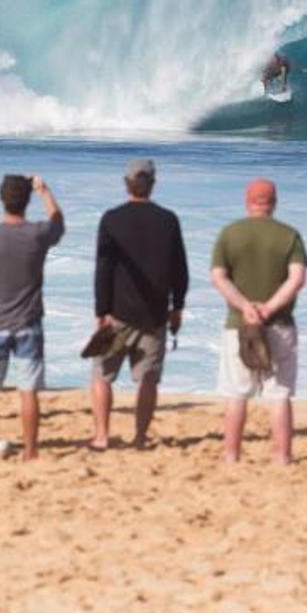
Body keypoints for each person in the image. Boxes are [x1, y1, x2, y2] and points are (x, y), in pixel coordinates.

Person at [91, 158, 189, 450]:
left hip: (117, 313)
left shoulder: (111, 219)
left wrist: (101, 311)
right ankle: (140, 438)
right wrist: (177, 307)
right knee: (147, 379)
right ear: (153, 184)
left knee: (101, 374)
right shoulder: (168, 220)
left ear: (126, 184)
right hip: (154, 314)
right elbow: (179, 269)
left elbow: (103, 268)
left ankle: (101, 436)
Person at [0, 175, 65, 461]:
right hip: (28, 325)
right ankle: (30, 450)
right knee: (28, 391)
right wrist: (44, 190)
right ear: (27, 201)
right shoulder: (36, 234)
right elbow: (59, 222)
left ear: (1, 200)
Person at [211, 179, 307, 465]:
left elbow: (218, 276)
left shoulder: (230, 234)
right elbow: (297, 278)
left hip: (238, 324)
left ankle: (231, 455)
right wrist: (268, 308)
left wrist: (245, 307)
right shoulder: (289, 235)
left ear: (247, 200)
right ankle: (282, 456)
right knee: (278, 394)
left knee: (236, 393)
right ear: (274, 202)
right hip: (279, 323)